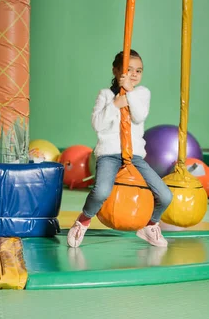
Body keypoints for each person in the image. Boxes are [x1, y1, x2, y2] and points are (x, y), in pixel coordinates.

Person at [67, 50, 173, 248]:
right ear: (116, 70)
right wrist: (114, 105)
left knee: (165, 195)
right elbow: (97, 124)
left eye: (138, 71)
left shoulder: (142, 93)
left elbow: (139, 116)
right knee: (101, 192)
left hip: (134, 156)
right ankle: (83, 221)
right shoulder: (106, 95)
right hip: (109, 153)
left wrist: (129, 92)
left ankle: (150, 226)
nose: (134, 74)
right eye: (128, 70)